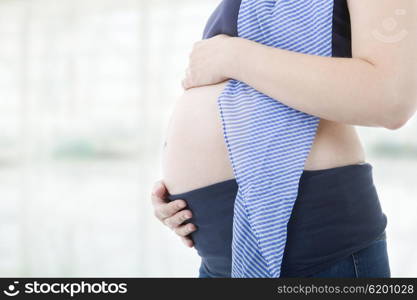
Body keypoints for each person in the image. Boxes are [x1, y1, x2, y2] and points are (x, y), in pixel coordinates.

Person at [152, 0, 417, 277]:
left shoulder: (234, 49)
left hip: (316, 249)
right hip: (216, 256)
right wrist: (179, 193)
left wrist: (233, 56)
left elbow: (391, 98)